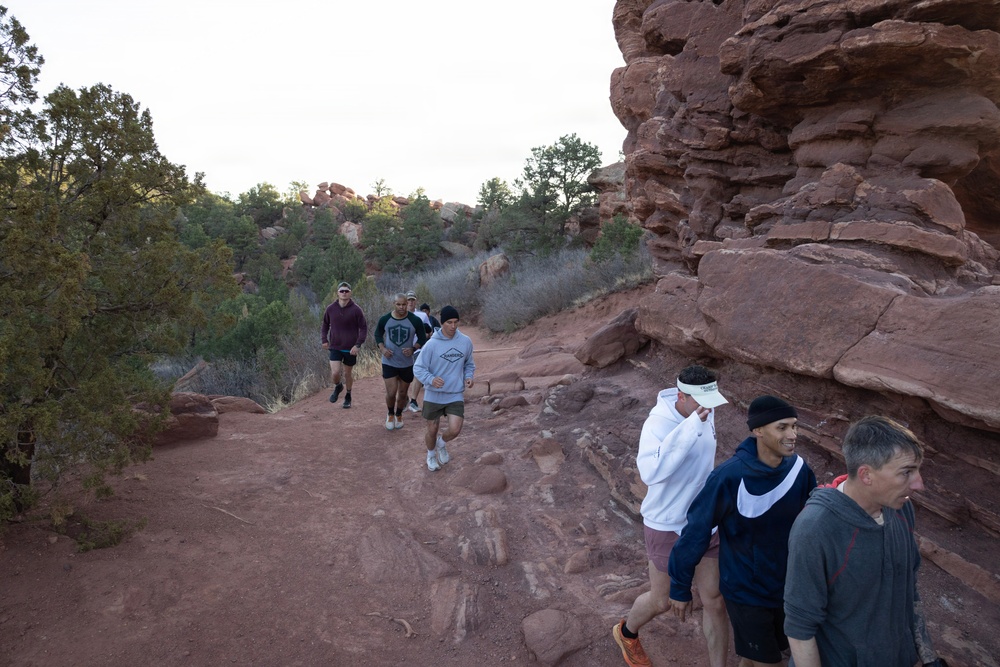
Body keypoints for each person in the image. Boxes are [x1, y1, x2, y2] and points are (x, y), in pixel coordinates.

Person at [783, 416, 947, 667]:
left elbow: (909, 588)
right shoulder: (815, 529)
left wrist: (929, 658)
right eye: (906, 472)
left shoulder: (901, 509)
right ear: (866, 475)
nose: (919, 484)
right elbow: (800, 627)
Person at [668, 395, 817, 667]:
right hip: (746, 592)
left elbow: (812, 519)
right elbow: (696, 532)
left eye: (794, 426)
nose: (793, 434)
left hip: (787, 587)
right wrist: (679, 587)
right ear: (758, 430)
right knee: (768, 661)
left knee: (756, 656)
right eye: (782, 427)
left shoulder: (799, 469)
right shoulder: (728, 477)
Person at [612, 366, 731, 667]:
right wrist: (690, 427)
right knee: (662, 601)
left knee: (715, 601)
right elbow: (651, 473)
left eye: (712, 402)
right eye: (702, 402)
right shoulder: (657, 424)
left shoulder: (704, 409)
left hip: (703, 521)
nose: (709, 408)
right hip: (666, 523)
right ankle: (626, 632)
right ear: (681, 396)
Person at [413, 305, 474, 472]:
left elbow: (469, 363)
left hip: (455, 393)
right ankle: (431, 455)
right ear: (442, 323)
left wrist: (469, 376)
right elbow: (418, 368)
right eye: (449, 322)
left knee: (455, 429)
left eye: (456, 322)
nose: (453, 326)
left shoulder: (465, 341)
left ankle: (441, 443)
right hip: (434, 394)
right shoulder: (431, 344)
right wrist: (431, 379)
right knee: (432, 429)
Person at [373, 294, 428, 430]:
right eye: (398, 304)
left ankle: (399, 414)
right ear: (394, 304)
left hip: (406, 363)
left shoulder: (415, 320)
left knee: (403, 393)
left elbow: (422, 337)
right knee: (391, 392)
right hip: (389, 361)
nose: (402, 307)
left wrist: (413, 348)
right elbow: (378, 334)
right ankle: (390, 414)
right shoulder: (385, 319)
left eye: (404, 304)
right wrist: (382, 348)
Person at [321, 281, 368, 409]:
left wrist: (358, 345)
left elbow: (363, 328)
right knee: (335, 373)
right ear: (337, 293)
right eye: (342, 291)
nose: (344, 293)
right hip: (335, 346)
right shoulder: (330, 309)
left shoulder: (356, 310)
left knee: (347, 374)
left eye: (346, 291)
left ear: (350, 293)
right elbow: (325, 325)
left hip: (350, 348)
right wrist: (324, 339)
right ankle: (338, 386)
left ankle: (348, 395)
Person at [405, 291, 432, 413]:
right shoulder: (398, 315)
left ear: (416, 301)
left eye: (412, 300)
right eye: (408, 300)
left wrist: (423, 336)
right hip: (402, 351)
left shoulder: (422, 316)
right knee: (403, 377)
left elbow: (429, 332)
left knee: (418, 372)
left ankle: (413, 401)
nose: (410, 302)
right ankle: (404, 400)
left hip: (418, 349)